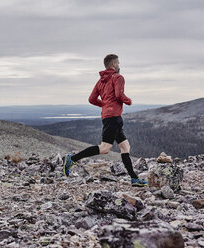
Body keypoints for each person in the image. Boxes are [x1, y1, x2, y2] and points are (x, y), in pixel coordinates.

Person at [62, 54, 147, 187]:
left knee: (125, 147)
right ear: (113, 65)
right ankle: (72, 159)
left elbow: (91, 99)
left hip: (111, 117)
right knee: (105, 148)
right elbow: (119, 95)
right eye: (118, 63)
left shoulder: (100, 81)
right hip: (113, 118)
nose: (119, 65)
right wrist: (128, 101)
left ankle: (134, 179)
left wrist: (105, 105)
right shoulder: (118, 77)